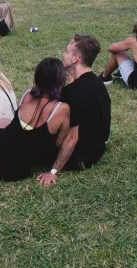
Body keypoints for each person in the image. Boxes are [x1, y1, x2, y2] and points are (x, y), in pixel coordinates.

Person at [0, 58, 72, 183]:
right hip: (16, 170)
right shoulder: (61, 109)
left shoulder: (28, 95)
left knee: (3, 125)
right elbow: (59, 142)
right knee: (6, 127)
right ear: (60, 81)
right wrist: (53, 171)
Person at [38, 35, 110, 184]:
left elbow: (72, 138)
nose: (63, 55)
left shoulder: (73, 94)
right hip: (98, 149)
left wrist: (53, 171)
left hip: (80, 158)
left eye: (66, 51)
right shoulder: (98, 83)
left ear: (76, 58)